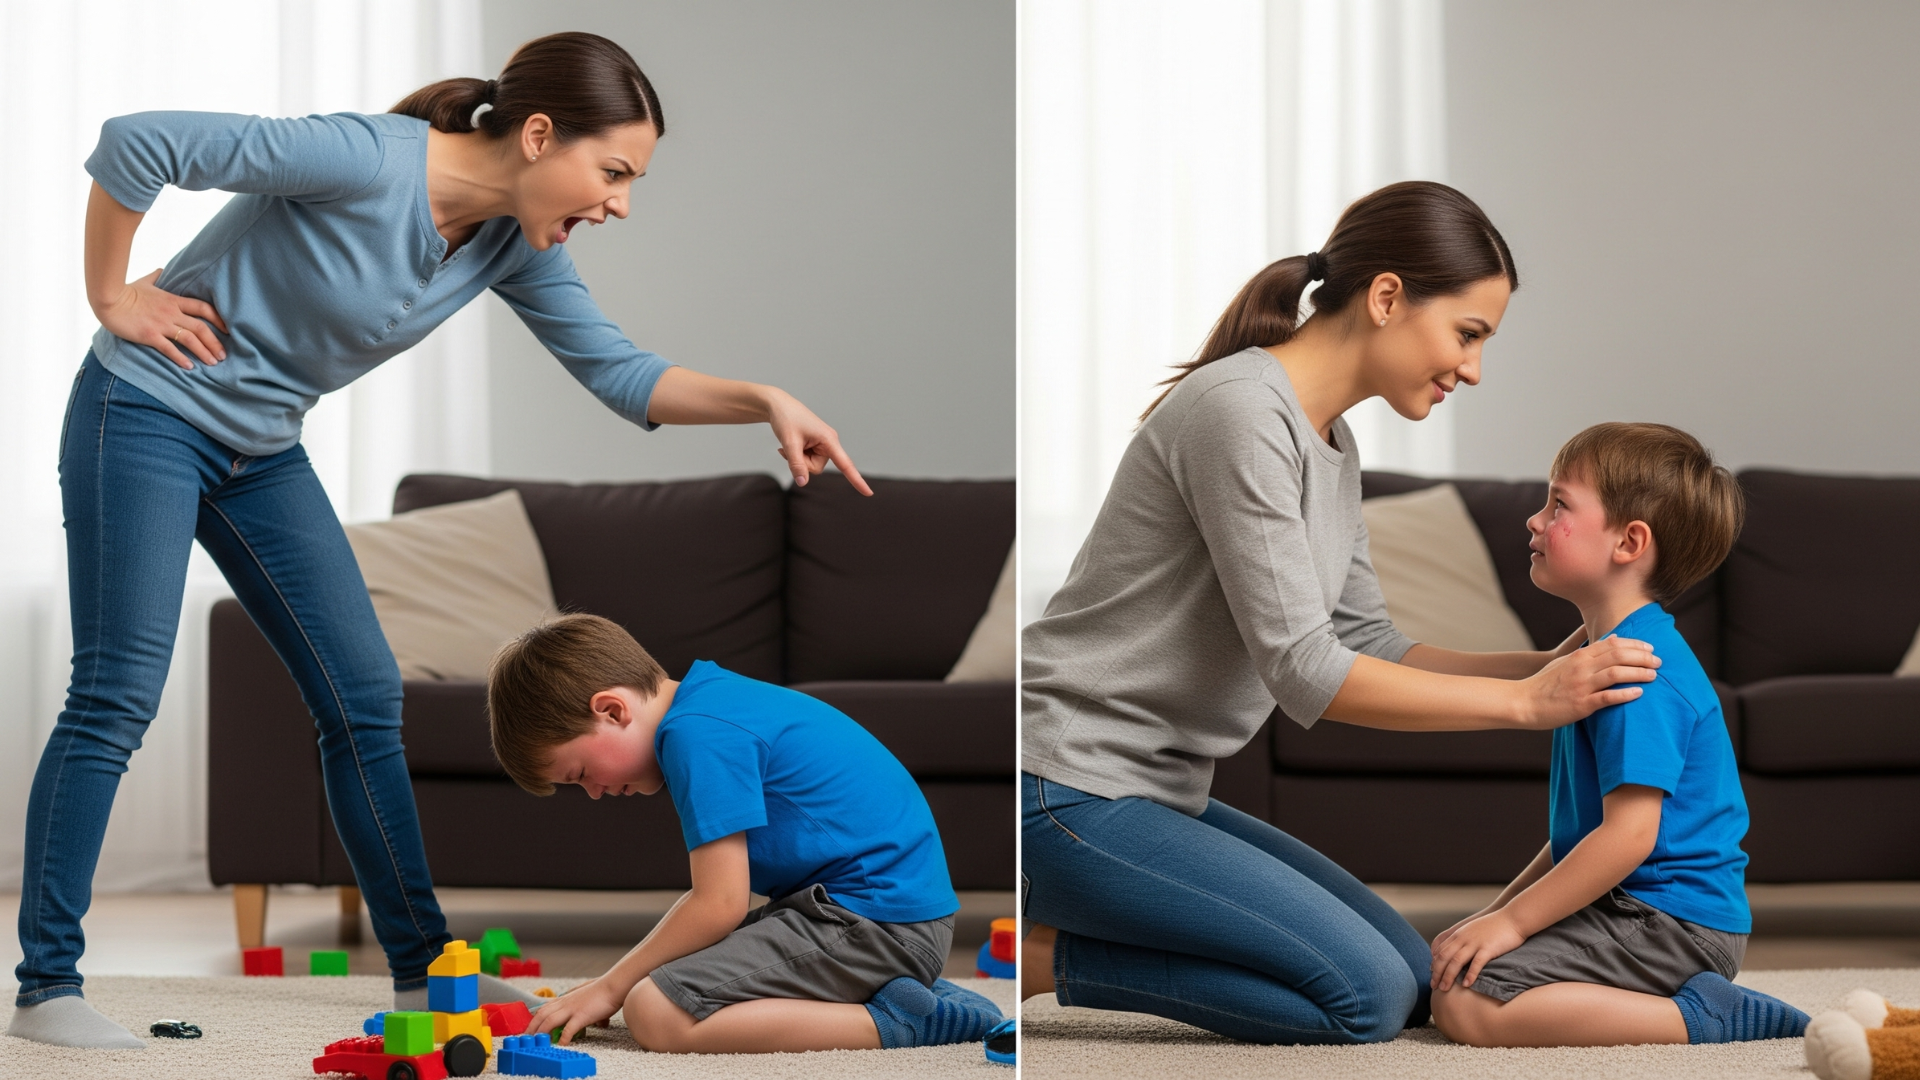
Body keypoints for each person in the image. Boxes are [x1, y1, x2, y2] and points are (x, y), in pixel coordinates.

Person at [12, 32, 869, 1050]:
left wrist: (762, 398)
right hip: (144, 412)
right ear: (540, 134)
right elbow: (136, 143)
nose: (620, 204)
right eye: (614, 172)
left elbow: (620, 373)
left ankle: (422, 971)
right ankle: (47, 986)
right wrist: (114, 297)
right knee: (118, 688)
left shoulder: (512, 241)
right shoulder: (366, 159)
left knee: (362, 695)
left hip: (259, 450)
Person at [1019, 180, 1666, 1045]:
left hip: (1161, 794)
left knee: (1407, 975)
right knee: (1359, 999)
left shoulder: (1331, 442)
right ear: (1388, 297)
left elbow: (1367, 640)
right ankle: (1040, 960)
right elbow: (1307, 671)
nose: (1472, 368)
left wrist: (1543, 670)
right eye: (1468, 334)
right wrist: (1528, 706)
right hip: (1067, 787)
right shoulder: (1241, 411)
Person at [1428, 423, 1808, 1047]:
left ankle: (1707, 1017)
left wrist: (1511, 926)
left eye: (1558, 504)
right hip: (1633, 908)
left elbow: (1630, 837)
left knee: (1464, 1004)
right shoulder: (1597, 659)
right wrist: (1495, 919)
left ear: (1630, 542)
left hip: (1671, 924)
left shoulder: (1639, 671)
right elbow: (1578, 839)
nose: (1534, 519)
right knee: (1457, 965)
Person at [485, 614, 1004, 1054]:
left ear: (612, 709)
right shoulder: (710, 702)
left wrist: (611, 986)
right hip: (864, 913)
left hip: (879, 921)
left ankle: (909, 1020)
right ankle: (897, 991)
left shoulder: (696, 736)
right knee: (673, 976)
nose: (594, 793)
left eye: (578, 775)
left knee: (653, 1010)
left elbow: (719, 903)